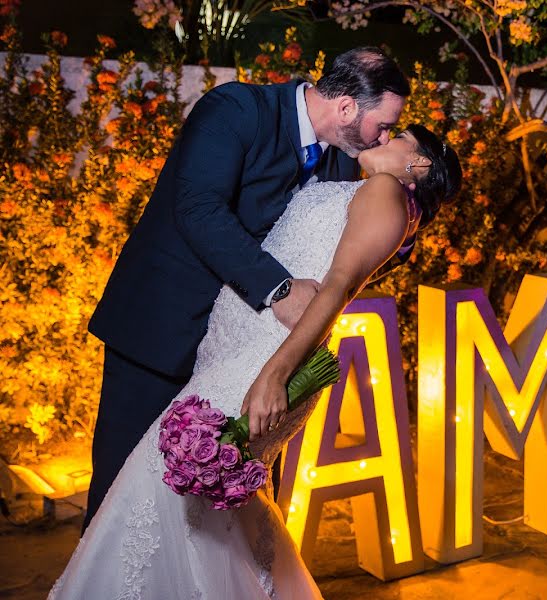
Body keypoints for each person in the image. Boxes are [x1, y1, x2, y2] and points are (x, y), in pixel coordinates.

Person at [50, 124, 463, 599]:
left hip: (257, 365)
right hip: (230, 355)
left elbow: (337, 288)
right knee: (207, 524)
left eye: (399, 137)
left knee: (161, 493)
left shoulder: (388, 192)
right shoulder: (367, 188)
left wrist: (274, 375)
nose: (383, 137)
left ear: (420, 165)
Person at [83, 47, 412, 531]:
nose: (384, 136)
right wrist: (279, 290)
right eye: (382, 124)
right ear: (346, 108)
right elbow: (198, 210)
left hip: (241, 362)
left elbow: (351, 252)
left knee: (229, 506)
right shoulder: (236, 110)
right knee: (119, 494)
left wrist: (412, 204)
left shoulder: (343, 165)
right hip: (161, 333)